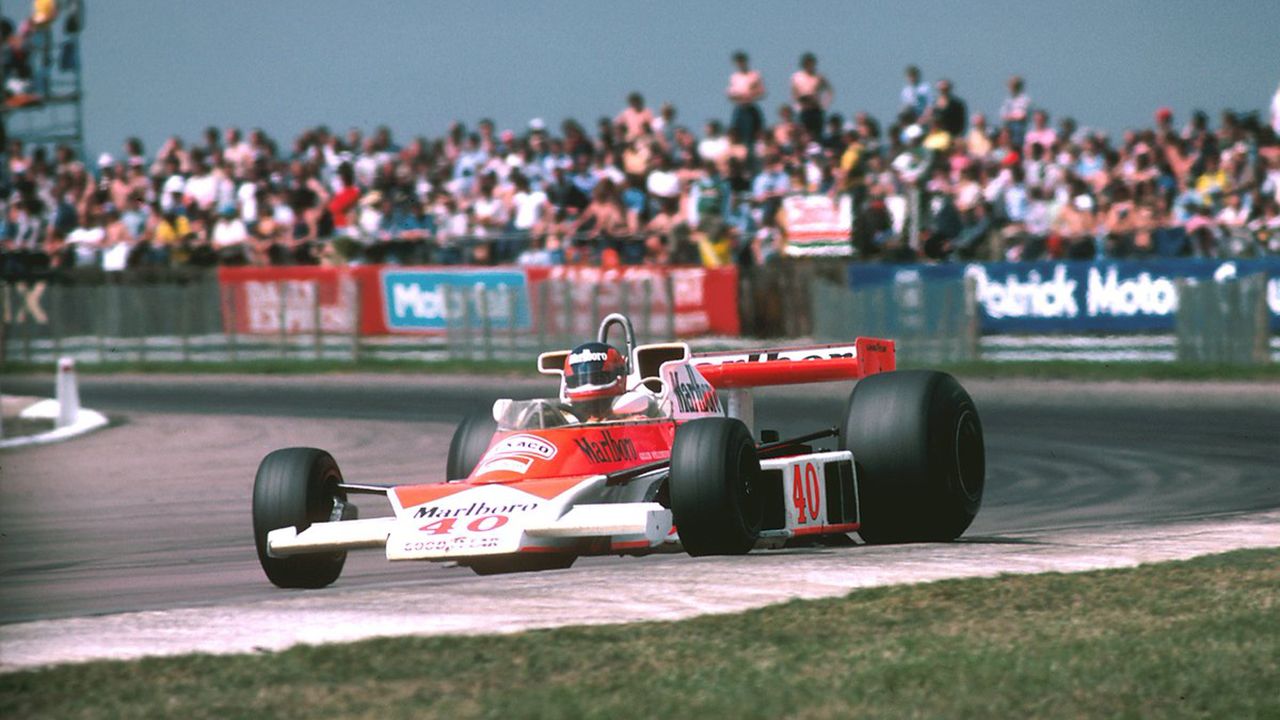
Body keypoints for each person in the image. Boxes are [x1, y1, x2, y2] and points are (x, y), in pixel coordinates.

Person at [561, 341, 628, 421]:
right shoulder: (563, 420)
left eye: (597, 378)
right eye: (577, 380)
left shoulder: (635, 420)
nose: (587, 385)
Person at [726, 51, 765, 163]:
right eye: (738, 62)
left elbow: (762, 92)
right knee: (736, 134)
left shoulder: (754, 75)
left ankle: (751, 158)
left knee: (752, 137)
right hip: (739, 108)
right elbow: (730, 94)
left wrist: (751, 94)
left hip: (750, 107)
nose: (740, 64)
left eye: (742, 61)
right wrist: (737, 96)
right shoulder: (734, 77)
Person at [790, 52, 833, 142]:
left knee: (817, 135)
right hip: (804, 109)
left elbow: (829, 90)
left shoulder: (819, 77)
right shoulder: (797, 77)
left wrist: (825, 105)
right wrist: (797, 107)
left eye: (811, 63)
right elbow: (794, 93)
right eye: (807, 63)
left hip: (816, 109)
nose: (809, 65)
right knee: (804, 134)